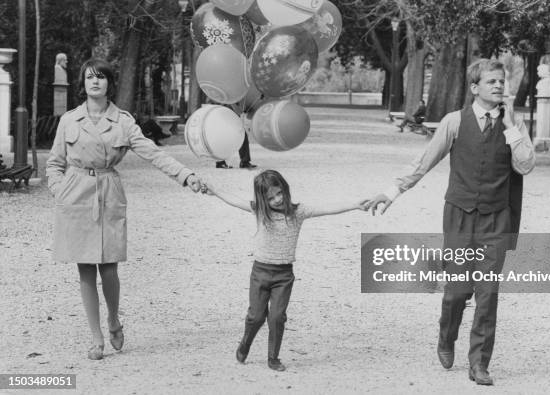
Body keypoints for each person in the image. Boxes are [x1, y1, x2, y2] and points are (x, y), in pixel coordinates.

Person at [367, 59, 535, 385]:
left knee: (488, 292)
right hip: (460, 216)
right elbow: (424, 162)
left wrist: (513, 125)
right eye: (491, 82)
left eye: (502, 81)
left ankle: (479, 363)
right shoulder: (454, 122)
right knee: (458, 291)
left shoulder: (515, 125)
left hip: (497, 218)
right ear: (474, 87)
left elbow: (525, 165)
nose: (499, 86)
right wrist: (391, 191)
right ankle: (447, 336)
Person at [46, 59, 202, 361]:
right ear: (83, 83)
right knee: (85, 269)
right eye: (90, 77)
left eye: (101, 77)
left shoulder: (123, 121)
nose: (95, 82)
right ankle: (96, 337)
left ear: (109, 83)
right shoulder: (69, 120)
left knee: (109, 267)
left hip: (108, 193)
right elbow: (54, 163)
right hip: (75, 194)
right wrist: (59, 189)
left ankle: (114, 320)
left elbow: (153, 153)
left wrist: (186, 175)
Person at [201, 170, 368, 371]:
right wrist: (214, 190)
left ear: (285, 189)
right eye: (271, 198)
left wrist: (355, 205)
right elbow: (234, 201)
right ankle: (245, 343)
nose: (277, 199)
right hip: (260, 272)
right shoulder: (261, 211)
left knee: (277, 317)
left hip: (283, 275)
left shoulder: (298, 212)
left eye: (279, 193)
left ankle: (273, 357)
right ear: (263, 199)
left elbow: (327, 208)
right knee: (256, 316)